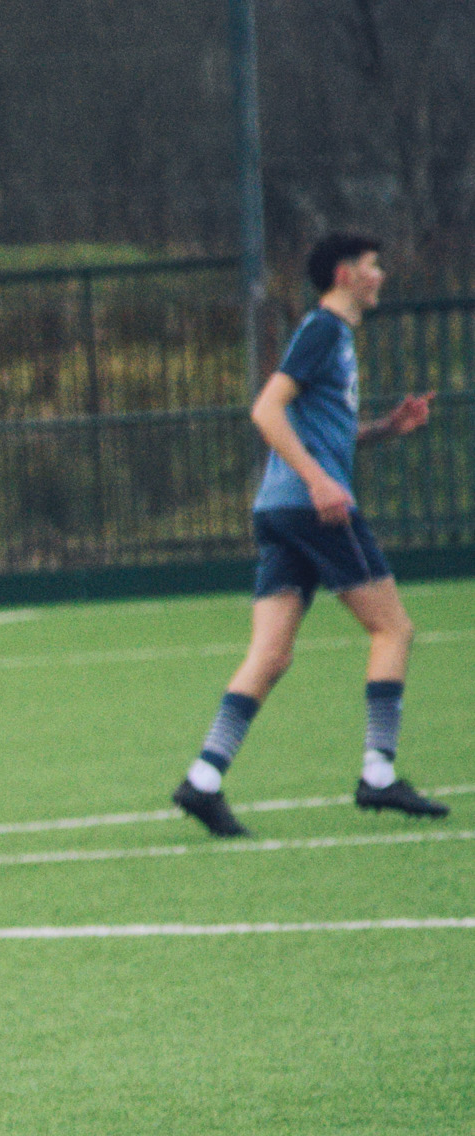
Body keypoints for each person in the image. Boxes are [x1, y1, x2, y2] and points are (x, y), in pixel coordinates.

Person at [173, 234, 444, 836]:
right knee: (392, 627)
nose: (383, 273)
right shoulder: (322, 330)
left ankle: (204, 779)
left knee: (270, 655)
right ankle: (378, 774)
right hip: (309, 509)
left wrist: (383, 430)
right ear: (346, 275)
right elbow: (266, 410)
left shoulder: (336, 338)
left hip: (279, 510)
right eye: (375, 265)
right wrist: (321, 483)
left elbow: (319, 432)